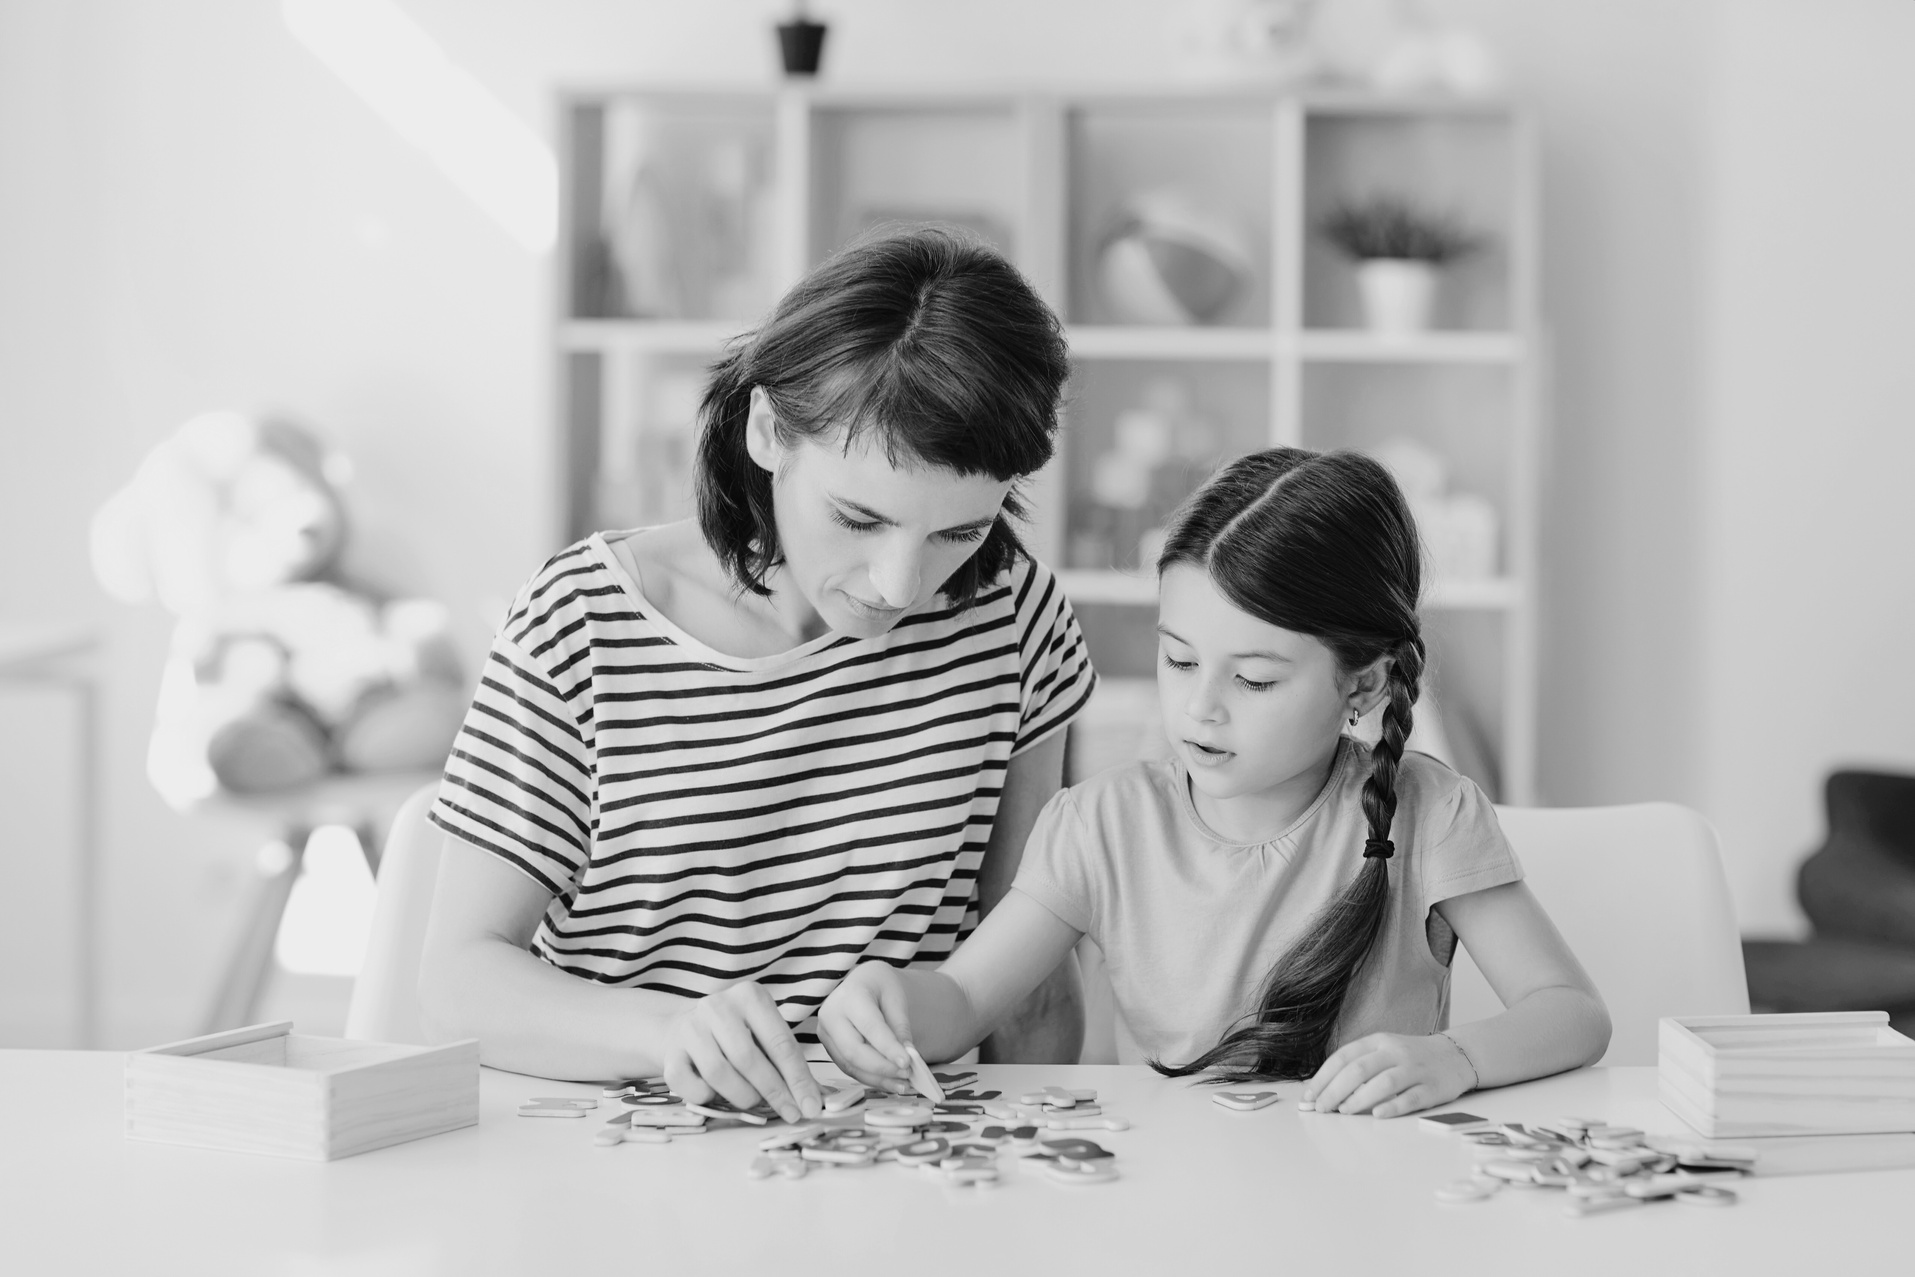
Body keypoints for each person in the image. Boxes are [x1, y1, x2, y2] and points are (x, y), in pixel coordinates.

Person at [418, 229, 1097, 1122]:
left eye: (957, 532)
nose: (900, 585)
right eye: (858, 517)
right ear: (770, 430)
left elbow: (1025, 968)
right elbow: (461, 976)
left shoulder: (1013, 617)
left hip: (901, 1158)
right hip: (628, 1143)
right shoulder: (583, 621)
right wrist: (666, 1033)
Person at [819, 447, 1610, 1115]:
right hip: (1172, 1206)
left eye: (1255, 680)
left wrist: (1455, 1057)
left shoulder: (1429, 815)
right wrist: (883, 998)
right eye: (1179, 659)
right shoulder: (1100, 823)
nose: (1199, 708)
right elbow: (960, 1001)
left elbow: (1570, 1012)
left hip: (1370, 1205)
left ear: (1361, 688)